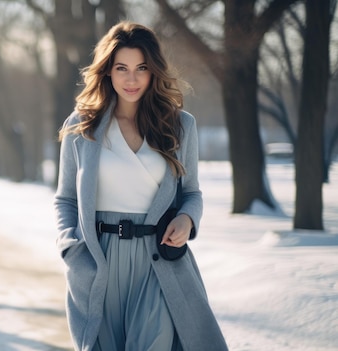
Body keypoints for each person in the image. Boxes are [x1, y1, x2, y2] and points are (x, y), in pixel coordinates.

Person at [54, 21, 228, 351]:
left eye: (141, 68)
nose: (131, 79)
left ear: (153, 71)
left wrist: (187, 219)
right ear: (107, 71)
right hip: (98, 260)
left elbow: (191, 192)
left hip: (156, 261)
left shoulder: (180, 125)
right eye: (121, 68)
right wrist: (71, 247)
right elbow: (65, 199)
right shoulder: (81, 125)